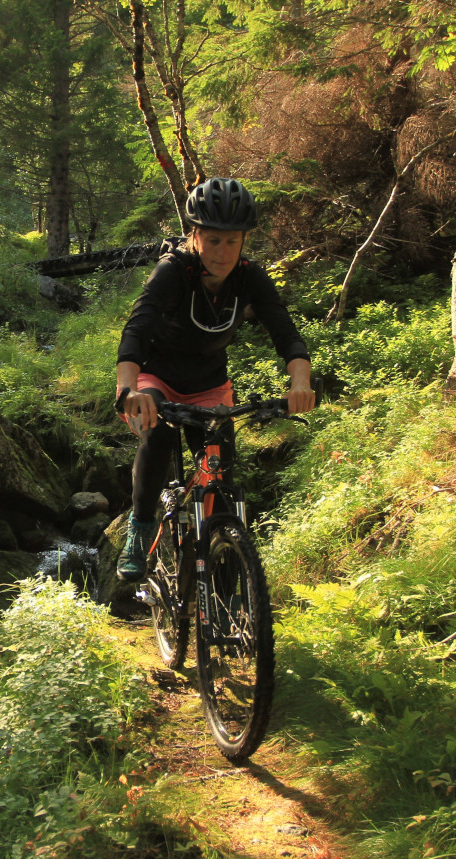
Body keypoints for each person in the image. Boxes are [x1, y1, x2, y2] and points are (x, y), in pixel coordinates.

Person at [114, 177, 315, 582]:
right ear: (195, 235)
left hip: (210, 384)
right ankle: (139, 528)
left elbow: (285, 331)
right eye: (213, 240)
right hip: (159, 377)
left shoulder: (249, 277)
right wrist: (128, 387)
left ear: (243, 241)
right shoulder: (173, 271)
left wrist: (300, 381)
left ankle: (222, 553)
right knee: (158, 433)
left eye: (232, 241)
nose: (222, 252)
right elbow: (137, 328)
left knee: (220, 475)